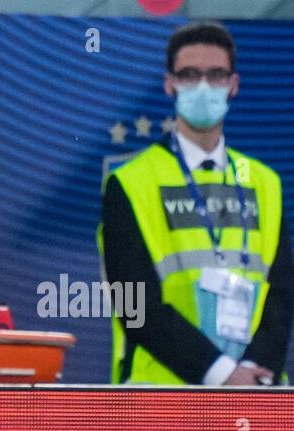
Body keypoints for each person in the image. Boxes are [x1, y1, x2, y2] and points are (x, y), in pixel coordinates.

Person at [99, 20, 292, 386]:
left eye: (216, 75)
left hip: (255, 395)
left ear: (233, 85)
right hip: (159, 400)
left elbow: (281, 295)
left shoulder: (266, 183)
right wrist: (222, 374)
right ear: (169, 84)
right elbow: (134, 304)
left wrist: (251, 374)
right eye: (190, 75)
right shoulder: (129, 182)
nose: (203, 87)